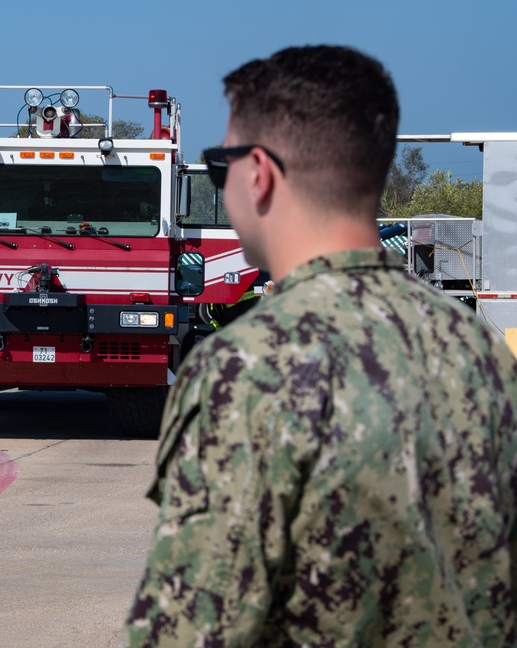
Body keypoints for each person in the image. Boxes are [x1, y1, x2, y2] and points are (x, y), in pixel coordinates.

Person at [124, 45, 517, 647]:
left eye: (219, 164)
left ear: (258, 175)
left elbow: (191, 628)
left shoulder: (247, 369)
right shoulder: (482, 355)